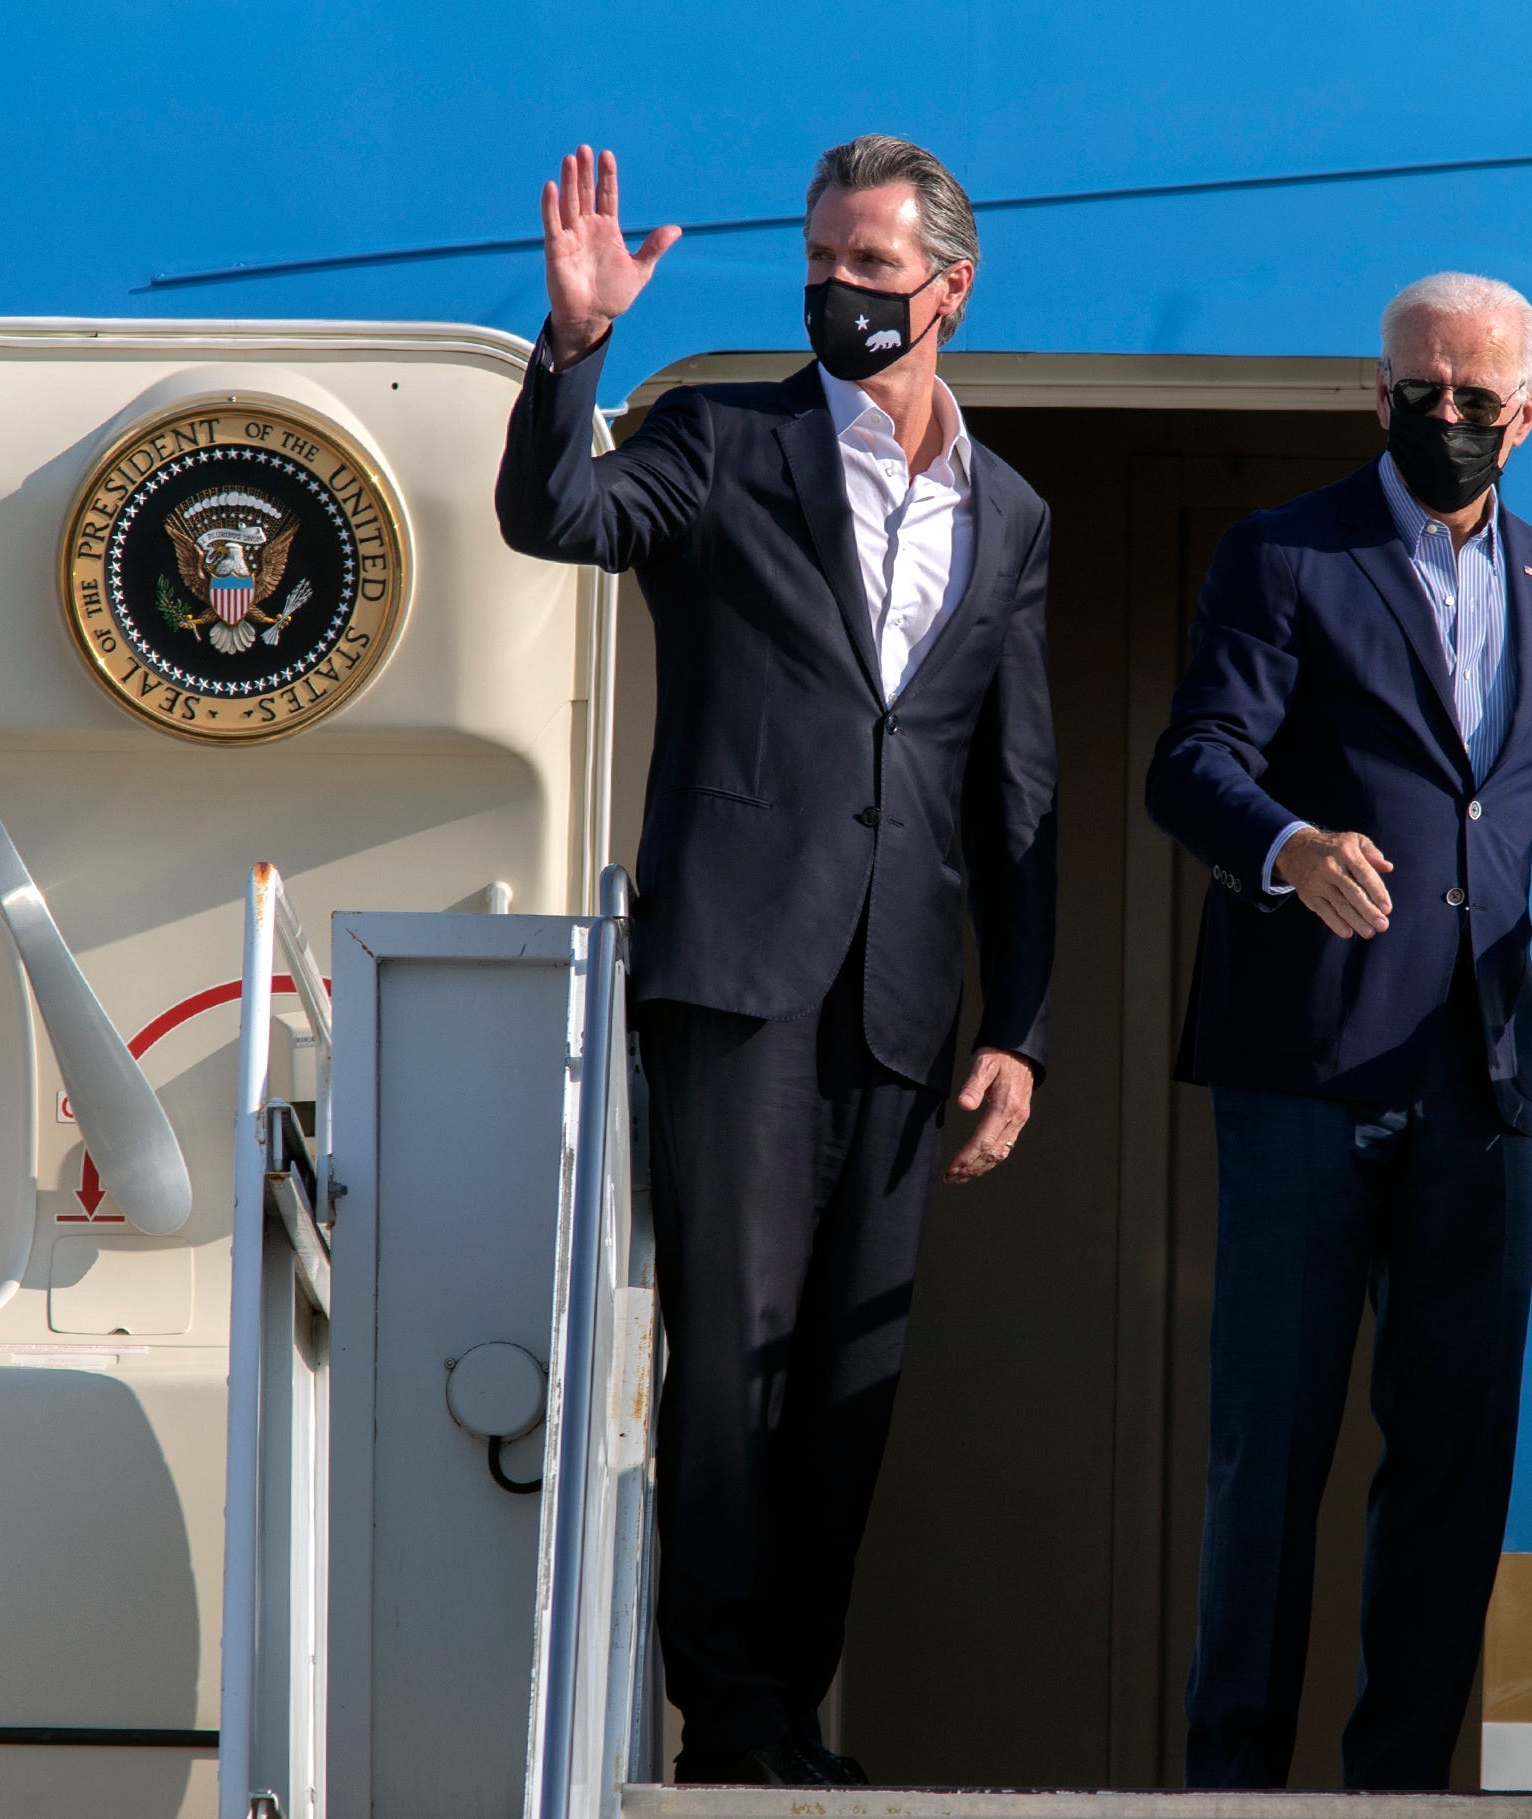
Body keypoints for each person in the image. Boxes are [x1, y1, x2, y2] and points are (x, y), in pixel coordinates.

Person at [495, 135, 1058, 1788]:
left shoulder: (1006, 510)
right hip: (736, 971)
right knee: (728, 1352)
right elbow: (559, 513)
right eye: (822, 264)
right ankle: (730, 1717)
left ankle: (783, 1709)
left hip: (900, 996)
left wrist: (1018, 1023)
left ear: (949, 289)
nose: (839, 293)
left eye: (874, 271)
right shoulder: (720, 442)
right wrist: (577, 342)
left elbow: (1015, 788)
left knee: (850, 1378)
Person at [1143, 272, 1532, 1790]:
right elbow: (1195, 761)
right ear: (1379, 395)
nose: (1444, 419)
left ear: (1529, 413)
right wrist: (1289, 844)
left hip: (1478, 1078)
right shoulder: (1286, 557)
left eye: (1474, 399)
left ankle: (1398, 1786)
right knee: (1274, 1453)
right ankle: (1229, 1779)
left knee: (1452, 1460)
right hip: (1303, 1070)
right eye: (1417, 392)